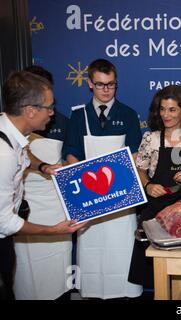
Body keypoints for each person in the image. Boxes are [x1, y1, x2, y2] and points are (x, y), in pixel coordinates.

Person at [62, 58, 143, 299]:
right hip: (89, 198)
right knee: (92, 253)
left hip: (120, 199)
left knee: (121, 250)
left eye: (111, 85)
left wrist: (113, 192)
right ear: (90, 84)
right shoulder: (78, 116)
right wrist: (88, 193)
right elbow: (71, 154)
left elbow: (135, 155)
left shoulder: (128, 114)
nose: (106, 90)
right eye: (100, 85)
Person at [0, 71, 84, 300]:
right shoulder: (3, 154)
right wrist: (52, 231)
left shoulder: (11, 135)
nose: (52, 113)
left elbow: (25, 157)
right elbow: (5, 222)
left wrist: (42, 167)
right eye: (48, 107)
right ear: (30, 111)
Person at [128, 85, 181, 289]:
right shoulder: (151, 139)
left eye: (172, 109)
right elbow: (139, 169)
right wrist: (148, 185)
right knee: (156, 274)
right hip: (155, 210)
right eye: (162, 109)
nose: (166, 114)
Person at [13, 65, 73, 300]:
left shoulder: (64, 122)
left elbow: (69, 158)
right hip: (24, 207)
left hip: (55, 207)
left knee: (58, 275)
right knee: (25, 274)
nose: (49, 112)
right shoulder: (10, 131)